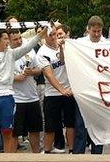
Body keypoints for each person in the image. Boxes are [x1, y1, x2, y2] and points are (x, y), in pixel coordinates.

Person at [0, 27, 47, 152]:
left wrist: (42, 33)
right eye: (5, 39)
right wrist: (14, 77)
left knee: (7, 132)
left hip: (7, 97)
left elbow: (28, 46)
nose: (8, 42)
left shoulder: (11, 54)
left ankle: (7, 160)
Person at [36, 24, 76, 154]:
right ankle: (47, 151)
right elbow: (49, 75)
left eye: (55, 33)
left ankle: (72, 150)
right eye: (51, 35)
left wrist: (62, 48)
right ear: (44, 37)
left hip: (68, 90)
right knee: (50, 127)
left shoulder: (63, 46)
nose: (54, 37)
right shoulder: (42, 52)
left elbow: (65, 61)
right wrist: (62, 90)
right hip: (52, 93)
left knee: (71, 124)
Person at [73, 16, 108, 154]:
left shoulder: (107, 44)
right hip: (83, 89)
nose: (97, 34)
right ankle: (78, 155)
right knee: (80, 126)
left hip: (100, 91)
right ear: (88, 29)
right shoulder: (79, 43)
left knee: (98, 127)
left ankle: (97, 155)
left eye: (99, 31)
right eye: (94, 31)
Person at [9, 29, 43, 153]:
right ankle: (10, 159)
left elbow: (39, 69)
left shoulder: (28, 50)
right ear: (8, 40)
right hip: (15, 99)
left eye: (20, 38)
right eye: (15, 39)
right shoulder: (7, 53)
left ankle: (36, 157)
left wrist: (32, 72)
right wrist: (14, 78)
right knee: (14, 133)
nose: (18, 41)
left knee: (35, 130)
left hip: (32, 96)